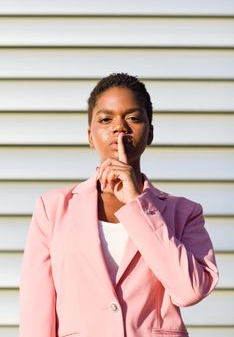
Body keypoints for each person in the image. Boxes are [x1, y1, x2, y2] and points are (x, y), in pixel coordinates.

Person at [19, 73, 219, 337]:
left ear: (150, 133)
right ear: (90, 136)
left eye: (133, 118)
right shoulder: (52, 209)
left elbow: (190, 290)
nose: (119, 128)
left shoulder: (184, 212)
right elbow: (36, 312)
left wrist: (138, 204)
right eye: (105, 119)